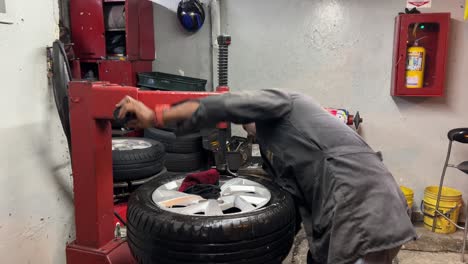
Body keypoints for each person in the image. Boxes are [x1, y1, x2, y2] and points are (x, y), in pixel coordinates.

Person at [116, 89, 417, 264]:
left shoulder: (286, 102)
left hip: (363, 212)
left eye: (242, 117)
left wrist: (157, 116)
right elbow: (289, 201)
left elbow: (223, 104)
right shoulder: (277, 143)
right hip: (342, 217)